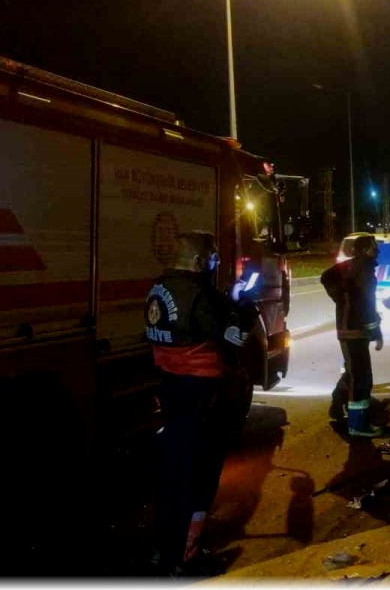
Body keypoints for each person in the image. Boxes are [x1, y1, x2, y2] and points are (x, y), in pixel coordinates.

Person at [144, 231, 240, 574]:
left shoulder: (159, 288)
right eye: (213, 258)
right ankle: (187, 557)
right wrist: (238, 307)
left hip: (172, 390)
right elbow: (234, 339)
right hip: (202, 394)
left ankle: (164, 548)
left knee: (173, 473)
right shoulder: (201, 295)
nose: (216, 263)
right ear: (200, 262)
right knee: (200, 475)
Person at [321, 234, 385, 438]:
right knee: (361, 378)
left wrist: (341, 299)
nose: (377, 250)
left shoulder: (352, 266)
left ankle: (338, 402)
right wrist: (376, 331)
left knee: (354, 372)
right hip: (355, 331)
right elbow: (367, 304)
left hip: (351, 330)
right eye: (374, 247)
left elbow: (326, 277)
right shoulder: (363, 270)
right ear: (365, 249)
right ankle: (357, 425)